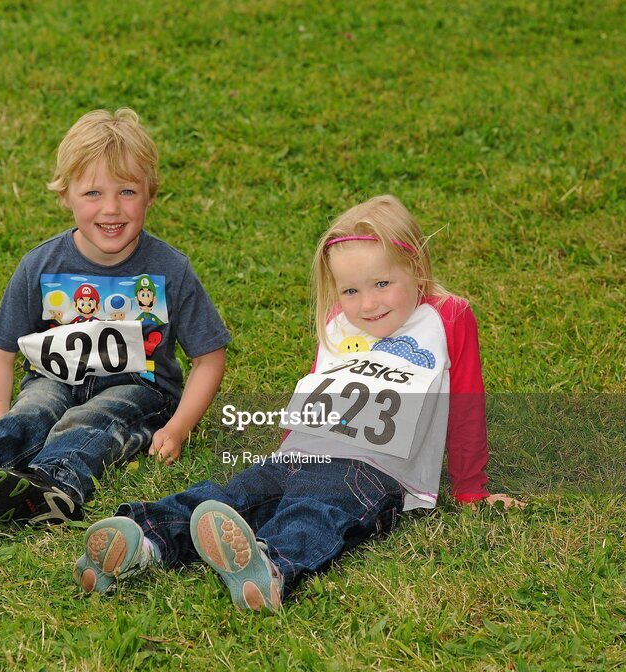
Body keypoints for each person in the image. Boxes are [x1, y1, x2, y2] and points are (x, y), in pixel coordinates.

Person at [72, 195, 522, 611]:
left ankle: (268, 567)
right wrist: (284, 454)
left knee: (315, 509)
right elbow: (315, 390)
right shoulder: (338, 321)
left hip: (372, 472)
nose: (366, 304)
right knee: (231, 497)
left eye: (382, 283)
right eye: (350, 291)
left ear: (417, 269)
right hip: (299, 455)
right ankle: (142, 541)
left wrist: (471, 491)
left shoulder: (446, 318)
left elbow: (465, 408)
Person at [0, 108, 230, 526]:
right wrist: (2, 420)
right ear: (65, 195)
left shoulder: (170, 270)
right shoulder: (41, 266)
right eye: (93, 194)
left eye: (127, 192)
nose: (111, 209)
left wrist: (178, 427)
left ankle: (52, 488)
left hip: (141, 391)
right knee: (38, 406)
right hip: (55, 376)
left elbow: (209, 357)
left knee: (90, 419)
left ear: (151, 194)